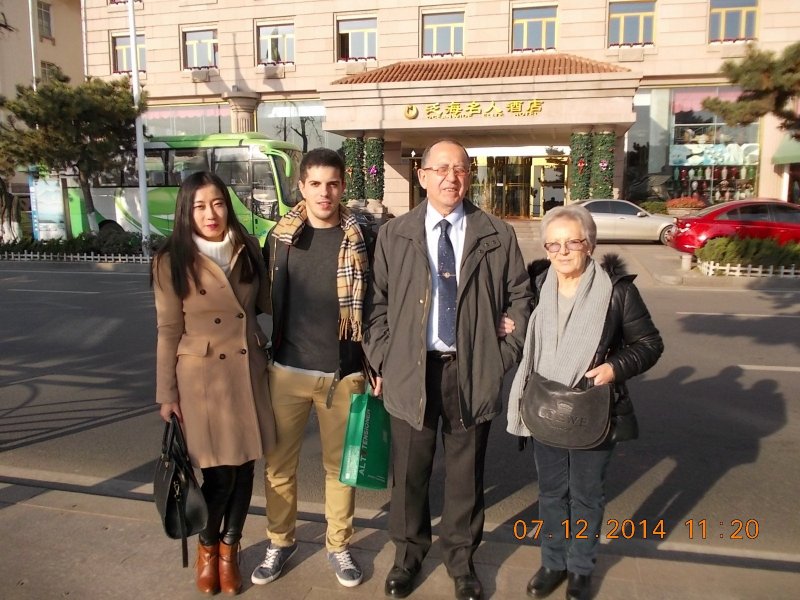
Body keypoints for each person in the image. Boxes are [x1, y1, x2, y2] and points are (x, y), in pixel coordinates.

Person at [364, 139, 532, 600]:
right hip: (410, 374)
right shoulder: (395, 234)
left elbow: (521, 298)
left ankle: (461, 561)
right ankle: (407, 557)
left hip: (471, 371)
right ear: (422, 175)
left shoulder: (496, 233)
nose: (450, 178)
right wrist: (384, 357)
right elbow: (374, 305)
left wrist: (503, 354)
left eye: (459, 169)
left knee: (465, 477)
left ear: (469, 175)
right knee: (409, 474)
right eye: (440, 169)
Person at [506, 204, 664, 600]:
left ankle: (580, 568)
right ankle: (552, 563)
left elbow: (649, 344)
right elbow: (517, 323)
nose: (562, 251)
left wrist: (614, 368)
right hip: (545, 405)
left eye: (572, 242)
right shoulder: (537, 283)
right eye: (553, 244)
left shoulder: (618, 291)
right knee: (551, 493)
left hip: (593, 409)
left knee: (586, 494)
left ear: (589, 245)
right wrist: (505, 322)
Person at [250, 147, 372, 589]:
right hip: (286, 370)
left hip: (344, 373)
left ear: (343, 186)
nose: (325, 192)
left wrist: (373, 364)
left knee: (342, 469)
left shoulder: (363, 237)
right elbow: (255, 296)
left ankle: (338, 544)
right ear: (301, 187)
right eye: (316, 184)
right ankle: (280, 541)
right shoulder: (280, 239)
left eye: (333, 183)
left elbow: (379, 304)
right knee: (278, 465)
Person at [152, 171, 275, 596]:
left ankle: (230, 549)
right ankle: (209, 547)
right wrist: (166, 393)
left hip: (247, 366)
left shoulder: (247, 248)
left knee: (246, 467)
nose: (211, 213)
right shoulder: (172, 259)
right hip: (203, 378)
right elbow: (168, 329)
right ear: (187, 211)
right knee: (220, 473)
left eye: (218, 203)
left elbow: (267, 303)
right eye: (200, 206)